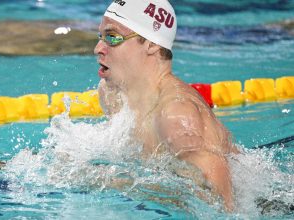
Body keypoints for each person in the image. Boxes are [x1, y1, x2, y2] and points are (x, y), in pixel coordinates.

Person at [94, 0, 239, 211]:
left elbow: (226, 209)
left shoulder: (176, 117)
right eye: (100, 37)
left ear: (152, 44)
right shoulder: (112, 94)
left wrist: (119, 183)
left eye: (112, 38)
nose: (98, 48)